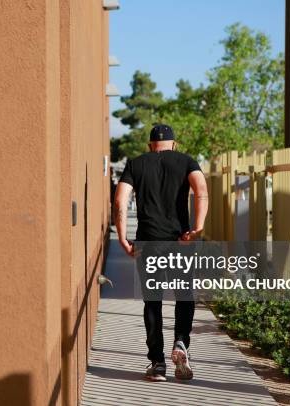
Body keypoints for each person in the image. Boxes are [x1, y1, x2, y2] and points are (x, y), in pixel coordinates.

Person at [114, 124, 208, 382]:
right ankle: (180, 342)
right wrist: (197, 229)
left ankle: (157, 364)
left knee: (152, 301)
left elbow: (120, 200)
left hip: (148, 242)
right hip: (181, 241)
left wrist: (122, 237)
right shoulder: (187, 161)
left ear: (149, 146)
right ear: (174, 144)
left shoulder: (136, 164)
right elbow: (201, 191)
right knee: (184, 295)